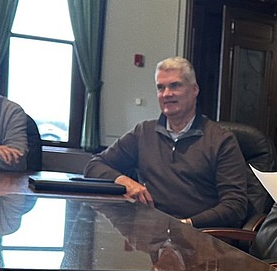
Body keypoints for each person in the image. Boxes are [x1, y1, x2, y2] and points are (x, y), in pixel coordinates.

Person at [83, 56, 250, 228]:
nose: (166, 94)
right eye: (160, 88)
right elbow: (94, 166)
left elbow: (235, 206)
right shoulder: (143, 132)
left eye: (175, 86)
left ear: (194, 90)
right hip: (151, 236)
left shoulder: (221, 140)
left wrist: (184, 225)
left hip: (200, 236)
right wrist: (125, 181)